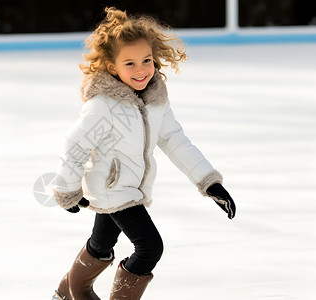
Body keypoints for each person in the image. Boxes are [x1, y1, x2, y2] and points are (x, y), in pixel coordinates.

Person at [52, 7, 236, 300]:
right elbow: (76, 145)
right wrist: (67, 190)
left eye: (146, 60)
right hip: (113, 189)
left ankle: (65, 293)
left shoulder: (155, 100)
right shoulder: (103, 105)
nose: (141, 70)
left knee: (101, 244)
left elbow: (175, 140)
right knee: (150, 247)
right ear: (112, 67)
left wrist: (208, 181)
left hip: (130, 186)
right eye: (130, 63)